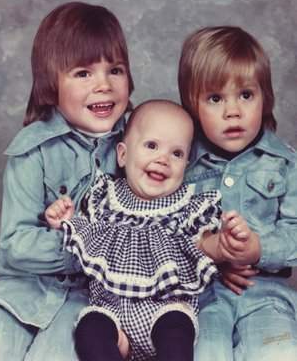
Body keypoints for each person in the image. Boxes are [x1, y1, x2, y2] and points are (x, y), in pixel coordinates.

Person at [45, 99, 252, 361]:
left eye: (176, 153)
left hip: (164, 310)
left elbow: (200, 243)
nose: (163, 159)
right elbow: (86, 233)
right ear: (123, 154)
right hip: (111, 312)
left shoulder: (188, 207)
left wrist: (222, 244)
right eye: (151, 146)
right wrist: (66, 219)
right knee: (90, 330)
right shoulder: (104, 198)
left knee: (177, 330)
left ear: (186, 164)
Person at [0, 1, 134, 360]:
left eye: (115, 70)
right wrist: (85, 247)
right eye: (84, 73)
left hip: (91, 301)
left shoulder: (141, 142)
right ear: (51, 85)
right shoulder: (32, 151)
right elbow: (16, 244)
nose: (103, 85)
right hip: (20, 289)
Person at [178, 25, 297, 360]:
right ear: (193, 105)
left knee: (281, 352)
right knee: (206, 354)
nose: (233, 111)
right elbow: (161, 233)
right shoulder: (181, 164)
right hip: (200, 298)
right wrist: (212, 257)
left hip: (266, 294)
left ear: (265, 97)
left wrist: (258, 249)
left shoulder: (284, 163)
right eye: (215, 98)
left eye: (246, 95)